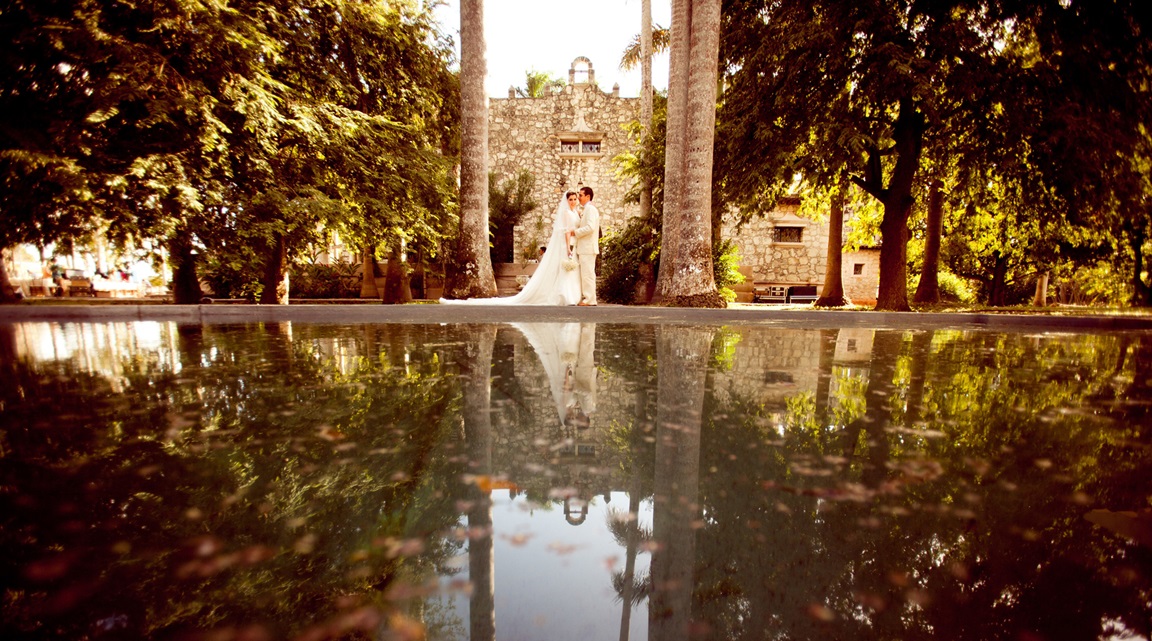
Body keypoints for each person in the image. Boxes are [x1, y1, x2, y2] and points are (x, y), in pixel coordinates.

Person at [441, 191, 582, 305]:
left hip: (573, 244)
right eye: (571, 199)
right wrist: (568, 247)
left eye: (575, 199)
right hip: (567, 245)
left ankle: (571, 295)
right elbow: (567, 232)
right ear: (567, 201)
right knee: (566, 269)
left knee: (568, 269)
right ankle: (565, 296)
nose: (573, 201)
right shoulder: (567, 214)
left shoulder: (575, 213)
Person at [574, 186, 600, 306]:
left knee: (588, 274)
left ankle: (590, 299)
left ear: (588, 196)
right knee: (585, 274)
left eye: (580, 195)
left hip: (588, 247)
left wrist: (576, 232)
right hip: (585, 248)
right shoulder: (587, 209)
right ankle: (588, 297)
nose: (578, 198)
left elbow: (590, 227)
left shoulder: (590, 209)